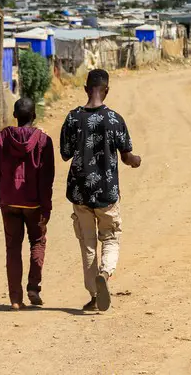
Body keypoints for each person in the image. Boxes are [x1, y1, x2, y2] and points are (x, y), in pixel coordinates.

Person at [60, 69, 141, 312]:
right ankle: (105, 274)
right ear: (106, 90)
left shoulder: (73, 118)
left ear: (86, 89)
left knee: (87, 244)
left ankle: (94, 296)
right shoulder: (115, 119)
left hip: (80, 192)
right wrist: (135, 160)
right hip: (107, 193)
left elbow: (65, 154)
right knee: (111, 237)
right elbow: (127, 157)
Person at [0, 97, 55, 310]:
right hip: (34, 203)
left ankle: (16, 299)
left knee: (12, 248)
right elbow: (47, 178)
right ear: (34, 116)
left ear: (15, 116)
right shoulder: (44, 141)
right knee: (37, 241)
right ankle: (33, 287)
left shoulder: (1, 139)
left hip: (9, 201)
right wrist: (46, 206)